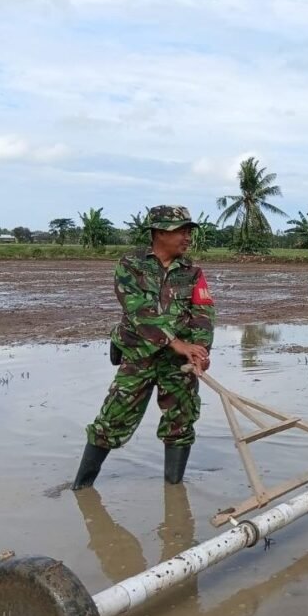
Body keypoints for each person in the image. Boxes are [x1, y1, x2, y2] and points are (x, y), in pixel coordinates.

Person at [71, 205, 215, 490]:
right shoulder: (131, 265)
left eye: (189, 231)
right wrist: (176, 343)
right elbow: (138, 311)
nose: (187, 237)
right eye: (181, 231)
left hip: (178, 363)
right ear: (160, 233)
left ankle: (174, 493)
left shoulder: (193, 272)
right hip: (139, 356)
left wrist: (200, 350)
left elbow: (203, 312)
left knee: (181, 424)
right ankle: (81, 488)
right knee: (112, 421)